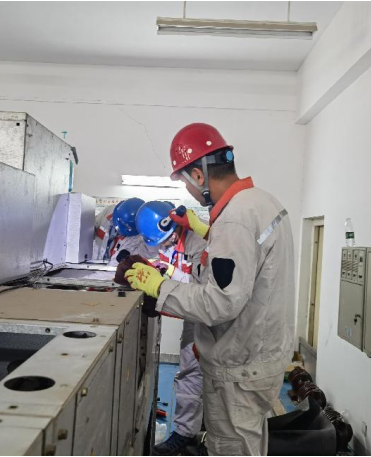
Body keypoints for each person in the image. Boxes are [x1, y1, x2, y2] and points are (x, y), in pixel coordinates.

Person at [124, 123, 295, 456]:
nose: (189, 191)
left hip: (241, 366)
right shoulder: (262, 202)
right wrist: (204, 230)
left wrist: (160, 286)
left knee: (232, 447)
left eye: (186, 182)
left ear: (198, 176)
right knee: (248, 443)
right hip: (264, 352)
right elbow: (246, 264)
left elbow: (220, 302)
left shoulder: (235, 219)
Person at [134, 201, 207, 456]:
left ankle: (187, 434)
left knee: (194, 373)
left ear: (174, 225)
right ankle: (190, 430)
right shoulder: (165, 242)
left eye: (166, 240)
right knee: (191, 372)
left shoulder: (199, 244)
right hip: (193, 315)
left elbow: (204, 291)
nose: (163, 245)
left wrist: (170, 272)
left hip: (210, 316)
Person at [93, 198, 158, 265]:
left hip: (112, 269)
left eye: (126, 226)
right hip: (93, 262)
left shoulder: (140, 238)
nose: (118, 229)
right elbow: (92, 227)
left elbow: (148, 251)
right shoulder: (109, 211)